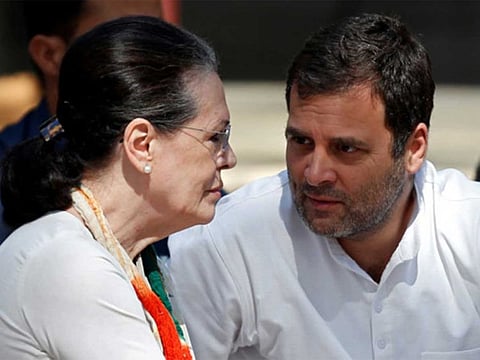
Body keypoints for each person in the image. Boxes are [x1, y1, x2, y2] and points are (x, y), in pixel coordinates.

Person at [168, 13, 480, 359]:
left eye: (346, 149)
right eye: (301, 141)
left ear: (414, 148)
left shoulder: (470, 232)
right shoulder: (222, 244)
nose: (314, 174)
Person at [0, 15, 236, 359]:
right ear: (142, 144)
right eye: (216, 137)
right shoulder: (71, 265)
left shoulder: (118, 256)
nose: (228, 158)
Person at [0, 0, 164, 242]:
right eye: (128, 39)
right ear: (49, 54)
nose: (159, 58)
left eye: (162, 36)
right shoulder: (8, 181)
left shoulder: (183, 159)